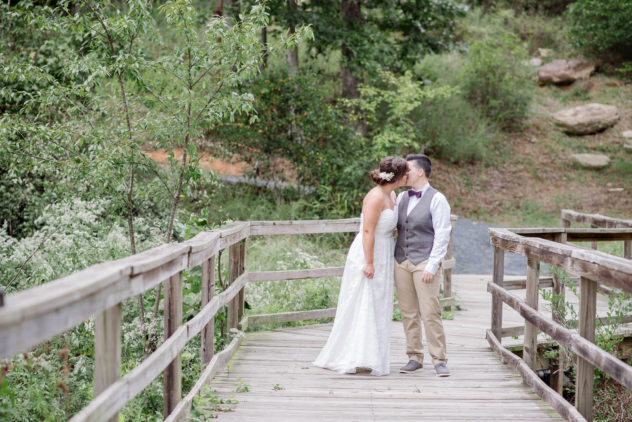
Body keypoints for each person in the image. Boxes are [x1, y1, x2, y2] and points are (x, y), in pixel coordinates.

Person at [313, 157, 408, 376]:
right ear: (398, 176)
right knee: (363, 301)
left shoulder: (392, 195)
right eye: (405, 173)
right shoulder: (375, 197)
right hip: (369, 251)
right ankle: (353, 355)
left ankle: (372, 356)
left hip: (384, 250)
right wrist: (369, 262)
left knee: (378, 303)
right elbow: (367, 231)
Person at [395, 153, 452, 377]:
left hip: (425, 261)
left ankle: (439, 360)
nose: (404, 173)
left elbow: (442, 235)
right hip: (401, 260)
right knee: (408, 312)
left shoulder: (438, 199)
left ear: (420, 172)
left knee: (430, 312)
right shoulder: (401, 198)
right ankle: (414, 356)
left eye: (407, 169)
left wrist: (432, 265)